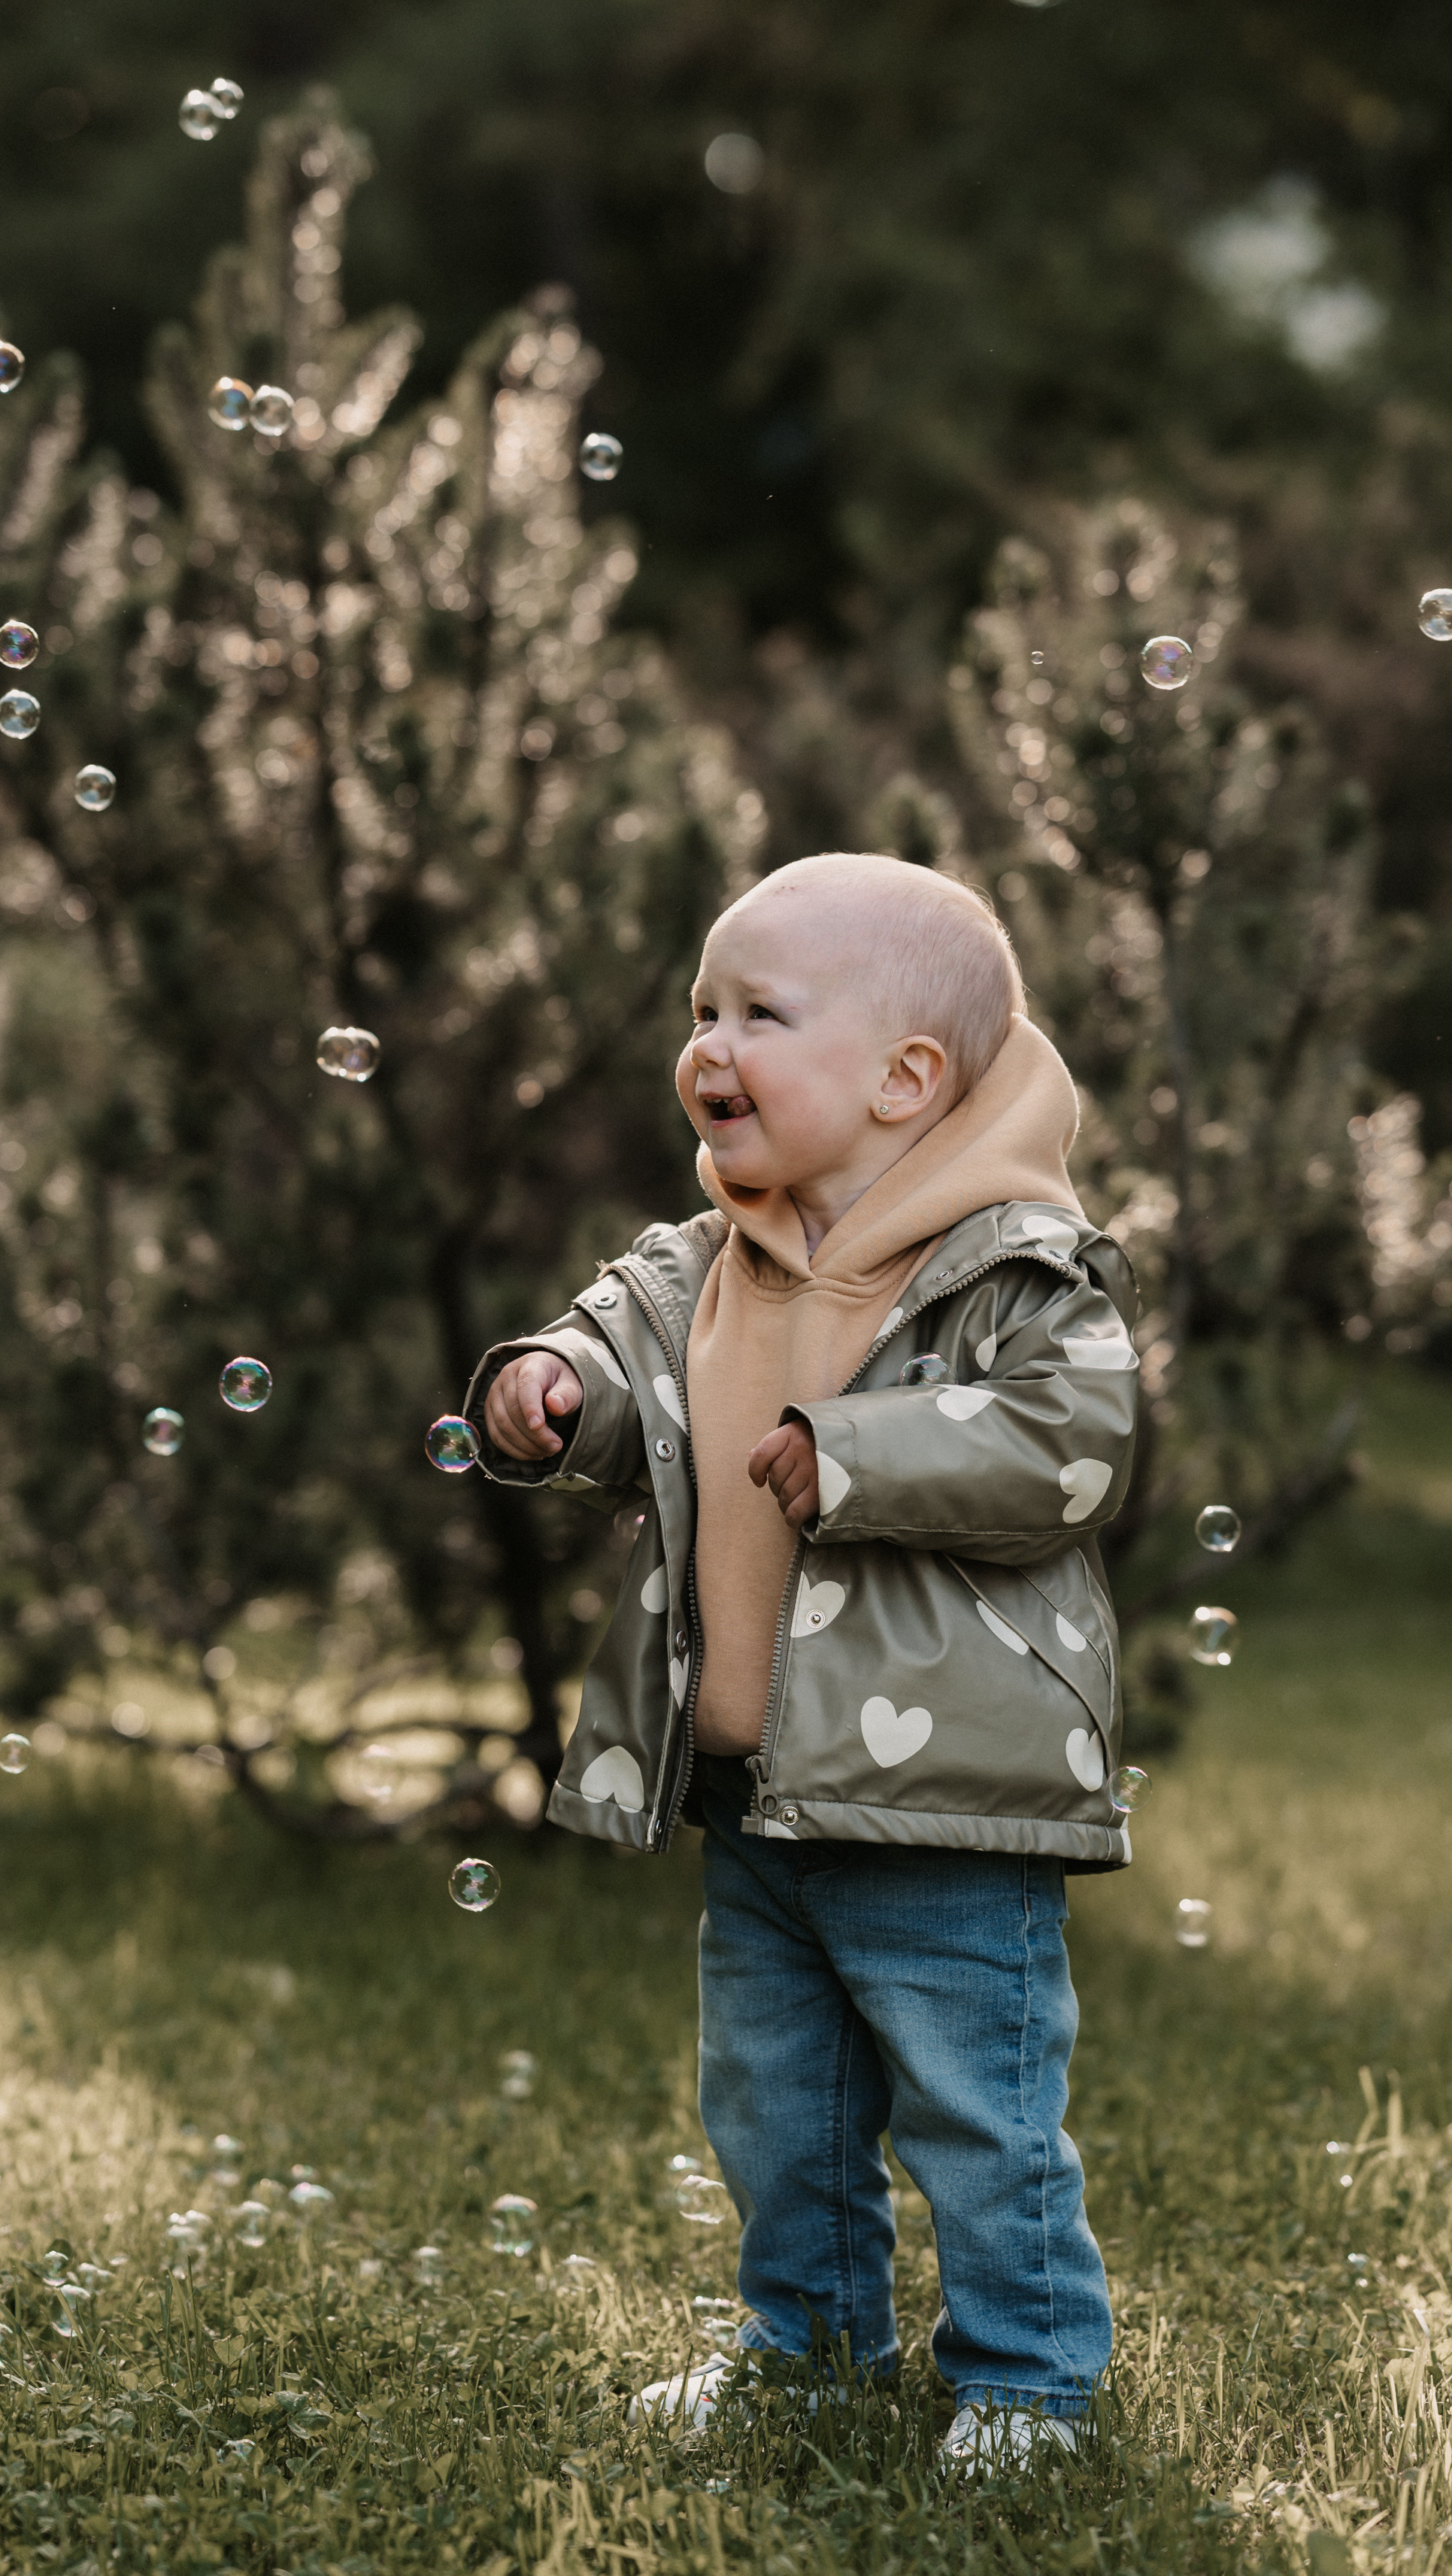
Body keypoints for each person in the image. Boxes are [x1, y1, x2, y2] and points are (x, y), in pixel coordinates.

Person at [465, 852, 1140, 2469]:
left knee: (976, 2108)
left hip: (942, 1804)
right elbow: (616, 1345)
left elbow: (1075, 1438)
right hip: (752, 1784)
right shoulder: (703, 1259)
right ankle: (806, 2344)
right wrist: (550, 1385)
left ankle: (1028, 2379)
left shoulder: (1012, 1269)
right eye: (701, 1009)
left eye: (759, 1012)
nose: (708, 1043)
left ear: (907, 1079)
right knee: (778, 2104)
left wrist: (858, 1452)